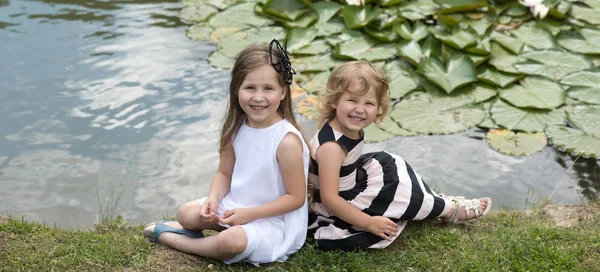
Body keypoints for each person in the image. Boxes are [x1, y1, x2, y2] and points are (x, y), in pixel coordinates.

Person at [144, 40, 310, 266]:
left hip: (272, 221)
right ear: (237, 90)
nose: (258, 97)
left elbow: (295, 198)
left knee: (230, 242)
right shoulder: (237, 128)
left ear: (283, 92)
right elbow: (224, 174)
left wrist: (249, 215)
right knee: (186, 213)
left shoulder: (286, 140)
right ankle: (194, 230)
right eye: (250, 88)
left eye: (268, 89)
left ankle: (178, 241)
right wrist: (213, 199)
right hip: (237, 206)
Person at [308, 61, 492, 250]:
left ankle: (434, 200)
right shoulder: (332, 147)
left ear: (379, 106)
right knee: (397, 191)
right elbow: (331, 199)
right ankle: (449, 211)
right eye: (352, 100)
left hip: (352, 180)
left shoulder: (344, 127)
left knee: (392, 166)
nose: (360, 109)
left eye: (369, 103)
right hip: (337, 204)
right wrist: (368, 223)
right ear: (334, 100)